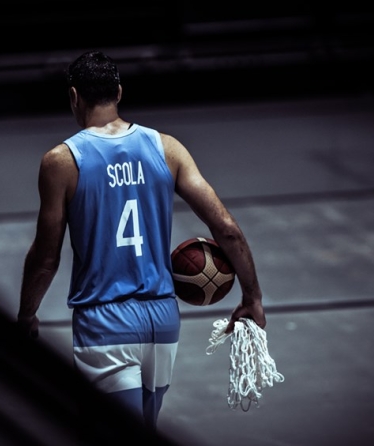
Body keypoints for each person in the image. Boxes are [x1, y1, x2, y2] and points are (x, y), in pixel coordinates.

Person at [17, 50, 266, 430]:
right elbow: (226, 228)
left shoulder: (62, 161)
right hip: (163, 320)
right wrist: (252, 297)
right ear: (119, 92)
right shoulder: (167, 148)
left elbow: (46, 257)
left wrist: (26, 313)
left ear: (74, 96)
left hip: (105, 321)